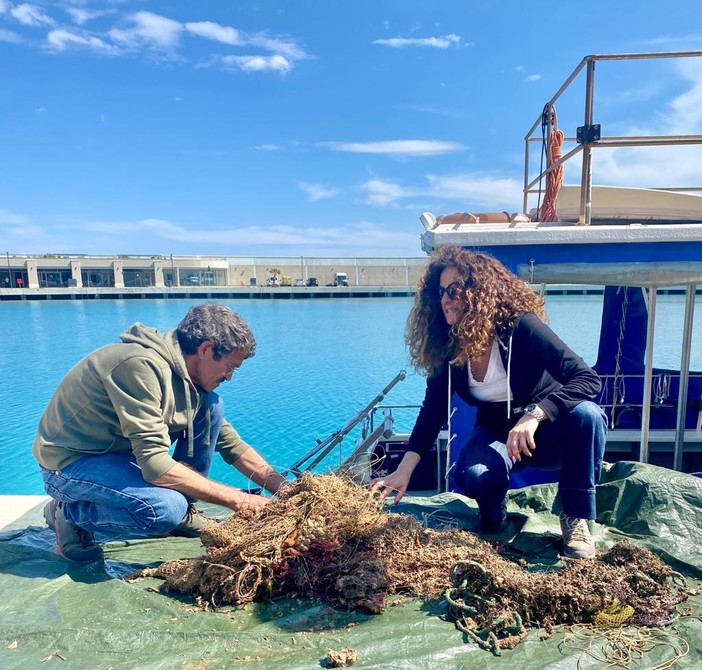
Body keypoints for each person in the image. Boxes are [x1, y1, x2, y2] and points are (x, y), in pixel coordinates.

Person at [371, 247, 607, 559]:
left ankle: (576, 518)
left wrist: (537, 414)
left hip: (545, 433)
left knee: (588, 416)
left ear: (479, 292)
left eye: (454, 290)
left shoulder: (521, 327)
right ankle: (495, 511)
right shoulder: (449, 345)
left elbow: (587, 379)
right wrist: (403, 471)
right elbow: (432, 411)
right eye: (441, 292)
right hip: (497, 432)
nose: (444, 299)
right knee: (475, 476)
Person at [33, 303, 287, 562]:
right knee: (163, 509)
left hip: (118, 455)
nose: (230, 377)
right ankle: (69, 512)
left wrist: (285, 489)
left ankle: (184, 511)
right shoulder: (139, 366)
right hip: (70, 464)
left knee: (213, 407)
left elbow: (231, 445)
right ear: (206, 349)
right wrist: (239, 500)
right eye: (231, 367)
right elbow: (155, 465)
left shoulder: (190, 378)